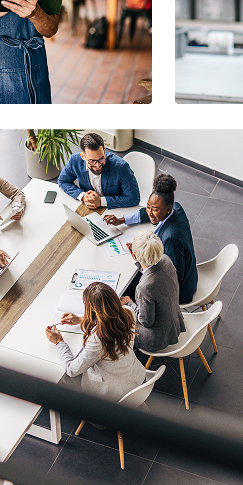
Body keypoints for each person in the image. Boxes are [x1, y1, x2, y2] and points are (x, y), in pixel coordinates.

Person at [105, 174, 198, 304]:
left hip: (180, 291)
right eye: (148, 206)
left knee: (128, 290)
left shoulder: (171, 237)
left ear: (168, 209)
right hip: (191, 273)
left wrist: (143, 262)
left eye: (154, 210)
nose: (149, 212)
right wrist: (121, 220)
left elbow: (175, 274)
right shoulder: (176, 208)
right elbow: (145, 213)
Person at [45, 282, 145, 402]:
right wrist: (81, 319)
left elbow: (72, 370)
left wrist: (59, 342)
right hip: (136, 377)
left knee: (65, 376)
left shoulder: (98, 338)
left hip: (114, 394)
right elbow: (109, 318)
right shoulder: (128, 312)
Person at [120, 230, 185, 353]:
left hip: (157, 339)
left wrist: (129, 303)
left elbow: (146, 321)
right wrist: (138, 260)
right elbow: (152, 269)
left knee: (117, 320)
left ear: (135, 254)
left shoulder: (145, 287)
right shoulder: (166, 260)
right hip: (174, 324)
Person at [57, 132, 140, 210]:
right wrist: (83, 196)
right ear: (83, 157)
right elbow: (63, 181)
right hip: (87, 208)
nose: (97, 165)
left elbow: (133, 198)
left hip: (114, 209)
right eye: (92, 161)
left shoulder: (121, 167)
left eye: (101, 159)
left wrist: (101, 201)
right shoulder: (75, 160)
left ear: (104, 151)